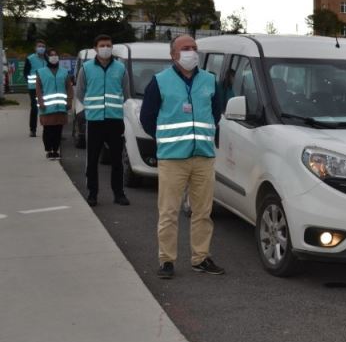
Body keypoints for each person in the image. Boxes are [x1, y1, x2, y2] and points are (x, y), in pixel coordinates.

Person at [140, 34, 224, 279]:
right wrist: (165, 142)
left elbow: (216, 113)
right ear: (173, 55)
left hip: (203, 157)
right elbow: (147, 118)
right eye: (185, 48)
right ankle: (166, 260)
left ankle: (201, 258)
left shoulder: (210, 80)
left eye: (194, 48)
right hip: (172, 159)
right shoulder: (160, 81)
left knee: (203, 212)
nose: (191, 52)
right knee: (168, 212)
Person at [75, 34, 131, 206]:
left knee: (117, 160)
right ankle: (92, 193)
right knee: (92, 160)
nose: (106, 48)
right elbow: (80, 93)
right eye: (102, 45)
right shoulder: (86, 68)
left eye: (108, 45)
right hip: (95, 121)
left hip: (115, 121)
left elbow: (126, 93)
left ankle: (119, 193)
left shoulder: (121, 69)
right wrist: (92, 109)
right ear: (95, 48)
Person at [35, 48, 73, 160]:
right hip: (46, 108)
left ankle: (56, 150)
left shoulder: (64, 72)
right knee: (48, 131)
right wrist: (40, 102)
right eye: (51, 55)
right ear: (47, 57)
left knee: (58, 130)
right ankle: (49, 150)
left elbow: (69, 88)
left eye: (56, 54)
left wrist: (69, 100)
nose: (54, 57)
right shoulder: (41, 72)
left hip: (61, 108)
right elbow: (38, 89)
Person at [24, 39, 48, 137]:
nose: (41, 48)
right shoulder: (30, 58)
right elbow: (25, 73)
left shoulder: (47, 58)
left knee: (47, 108)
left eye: (43, 46)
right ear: (35, 48)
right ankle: (32, 130)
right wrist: (31, 82)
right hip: (33, 88)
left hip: (46, 87)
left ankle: (48, 128)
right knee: (34, 108)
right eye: (39, 46)